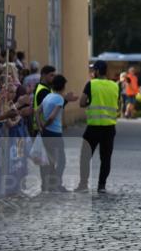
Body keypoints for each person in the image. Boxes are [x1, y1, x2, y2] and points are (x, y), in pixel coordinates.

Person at [75, 60, 120, 193]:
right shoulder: (115, 86)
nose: (92, 72)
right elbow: (118, 104)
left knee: (85, 157)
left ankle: (83, 184)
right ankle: (101, 186)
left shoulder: (91, 84)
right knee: (105, 158)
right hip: (109, 127)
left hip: (93, 127)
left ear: (97, 71)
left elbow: (82, 102)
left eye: (93, 70)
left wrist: (90, 102)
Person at [38, 74, 69, 192]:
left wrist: (41, 126)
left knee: (49, 159)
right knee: (61, 160)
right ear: (63, 86)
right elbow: (52, 117)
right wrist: (45, 125)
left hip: (45, 133)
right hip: (55, 133)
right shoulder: (60, 99)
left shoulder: (48, 96)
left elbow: (37, 111)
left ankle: (46, 185)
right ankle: (56, 184)